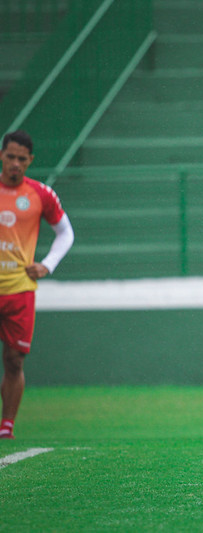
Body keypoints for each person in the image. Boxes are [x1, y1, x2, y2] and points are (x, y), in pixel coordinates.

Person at [0, 130, 74, 439]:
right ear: (1, 155)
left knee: (14, 360)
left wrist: (47, 264)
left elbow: (65, 233)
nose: (15, 164)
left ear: (30, 161)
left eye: (21, 159)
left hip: (20, 289)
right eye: (10, 156)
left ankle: (7, 427)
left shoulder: (41, 194)